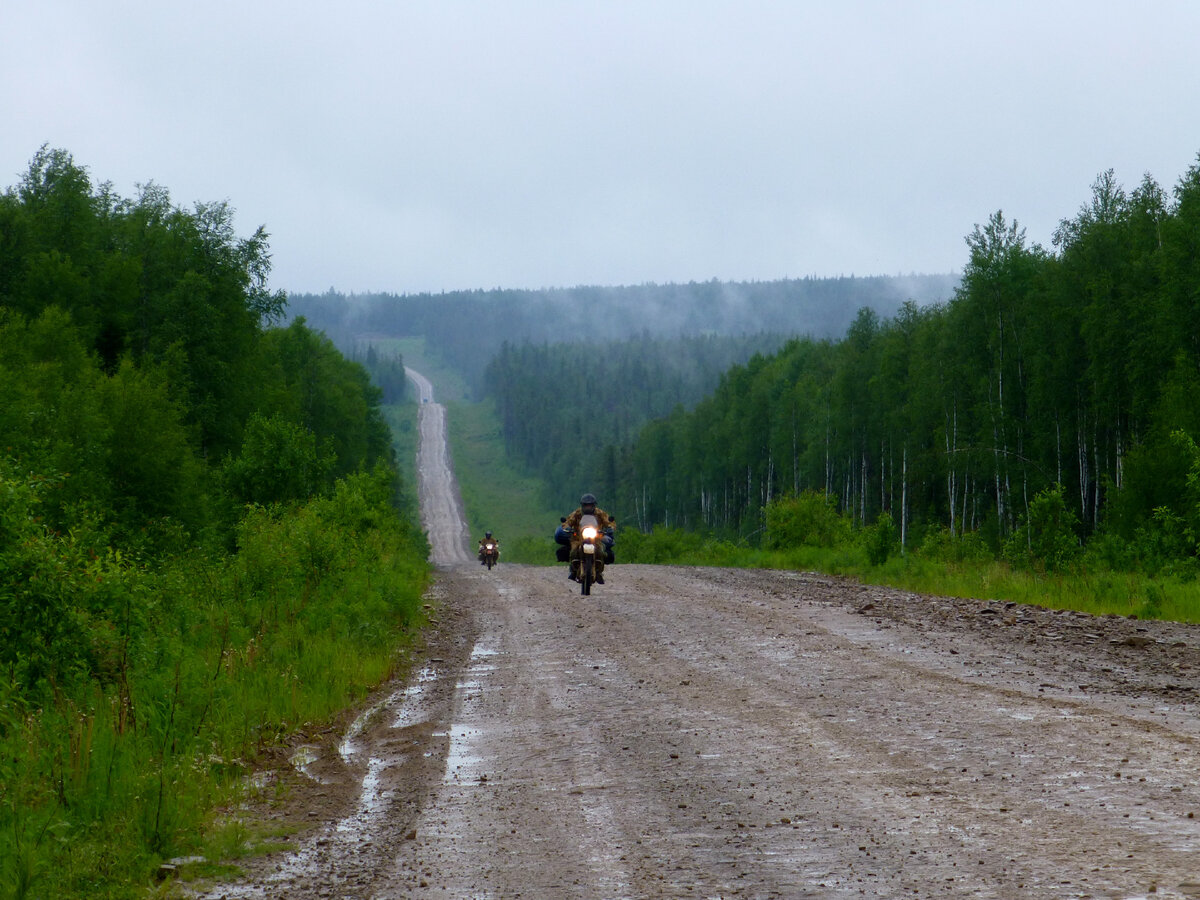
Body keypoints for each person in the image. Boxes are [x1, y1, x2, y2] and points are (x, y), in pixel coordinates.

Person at [560, 493, 615, 582]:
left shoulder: (599, 513)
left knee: (601, 551)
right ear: (582, 506)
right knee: (573, 551)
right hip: (579, 538)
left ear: (594, 506)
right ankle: (573, 570)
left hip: (596, 537)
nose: (588, 507)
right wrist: (567, 527)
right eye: (586, 505)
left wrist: (610, 527)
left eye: (590, 505)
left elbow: (609, 522)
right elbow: (568, 522)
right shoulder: (577, 513)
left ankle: (599, 572)